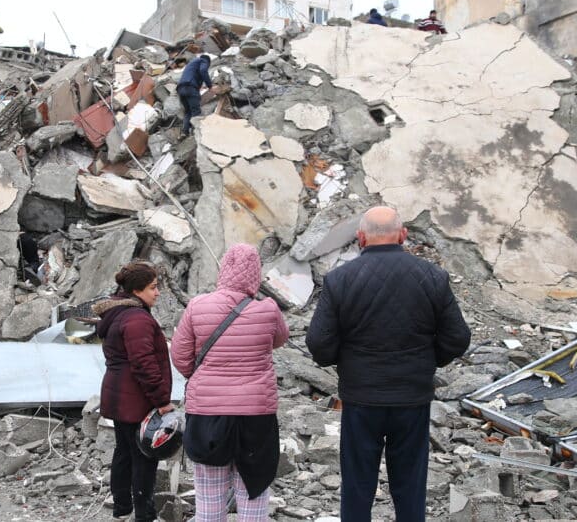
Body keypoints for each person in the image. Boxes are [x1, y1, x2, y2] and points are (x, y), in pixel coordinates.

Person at [306, 206, 471, 522]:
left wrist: (343, 361)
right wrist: (429, 360)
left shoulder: (340, 280)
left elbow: (319, 343)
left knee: (357, 484)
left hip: (360, 397)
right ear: (403, 235)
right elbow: (458, 337)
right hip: (412, 396)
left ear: (360, 237)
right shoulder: (433, 277)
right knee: (410, 485)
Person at [171, 244, 290, 522]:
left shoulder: (197, 306)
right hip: (256, 414)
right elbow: (280, 340)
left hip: (208, 413)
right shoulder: (269, 310)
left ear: (223, 270)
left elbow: (179, 356)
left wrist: (204, 376)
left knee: (209, 499)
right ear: (256, 275)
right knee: (253, 491)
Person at [94, 261, 174, 522]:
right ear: (137, 291)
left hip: (118, 396)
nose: (158, 292)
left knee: (124, 451)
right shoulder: (138, 319)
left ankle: (122, 510)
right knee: (144, 457)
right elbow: (144, 364)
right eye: (153, 287)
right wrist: (162, 401)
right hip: (136, 400)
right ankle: (143, 515)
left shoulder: (118, 313)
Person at [176, 48, 212, 138]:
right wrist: (210, 86)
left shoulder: (191, 64)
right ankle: (196, 134)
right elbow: (203, 71)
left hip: (181, 89)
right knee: (196, 111)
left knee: (188, 112)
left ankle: (185, 132)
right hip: (190, 88)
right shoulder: (203, 60)